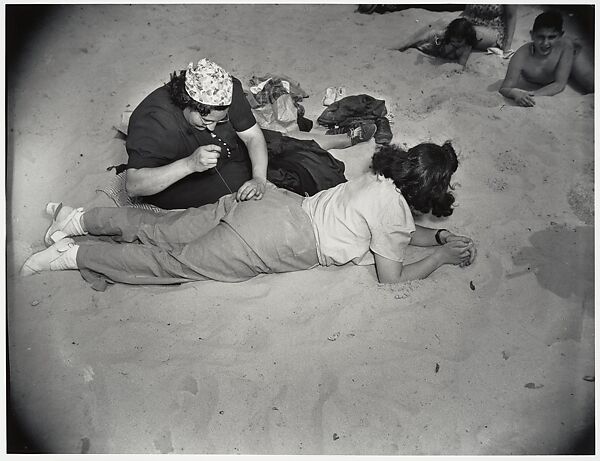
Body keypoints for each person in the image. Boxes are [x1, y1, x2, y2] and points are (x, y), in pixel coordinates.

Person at [21, 142, 476, 285]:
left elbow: (392, 229)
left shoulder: (377, 181)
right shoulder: (394, 213)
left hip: (272, 203)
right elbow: (390, 276)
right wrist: (441, 258)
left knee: (164, 226)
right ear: (430, 191)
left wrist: (433, 237)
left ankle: (79, 220)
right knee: (170, 264)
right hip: (279, 240)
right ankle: (75, 256)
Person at [125, 58, 376, 209]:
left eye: (220, 120)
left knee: (280, 144)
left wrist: (258, 177)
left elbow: (253, 136)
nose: (213, 126)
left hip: (228, 150)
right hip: (185, 179)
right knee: (265, 192)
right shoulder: (153, 120)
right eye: (205, 121)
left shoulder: (228, 91)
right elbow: (134, 186)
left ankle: (339, 139)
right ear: (187, 103)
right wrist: (189, 164)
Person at [499, 10, 594, 107]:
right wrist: (516, 94)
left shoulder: (565, 47)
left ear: (560, 36)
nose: (545, 43)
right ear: (532, 35)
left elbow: (559, 84)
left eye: (551, 37)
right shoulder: (521, 55)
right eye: (541, 37)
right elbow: (504, 88)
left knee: (591, 84)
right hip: (559, 68)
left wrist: (533, 94)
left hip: (573, 56)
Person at [392, 4, 517, 58]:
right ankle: (406, 43)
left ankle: (431, 45)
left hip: (493, 28)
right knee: (442, 22)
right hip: (469, 19)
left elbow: (511, 17)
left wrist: (507, 46)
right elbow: (467, 10)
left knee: (465, 32)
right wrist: (456, 21)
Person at [403, 18, 479, 67]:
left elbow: (462, 64)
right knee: (424, 41)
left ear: (467, 38)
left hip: (439, 54)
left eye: (459, 41)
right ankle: (406, 45)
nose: (455, 43)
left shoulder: (466, 48)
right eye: (453, 41)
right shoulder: (446, 36)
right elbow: (435, 42)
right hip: (434, 48)